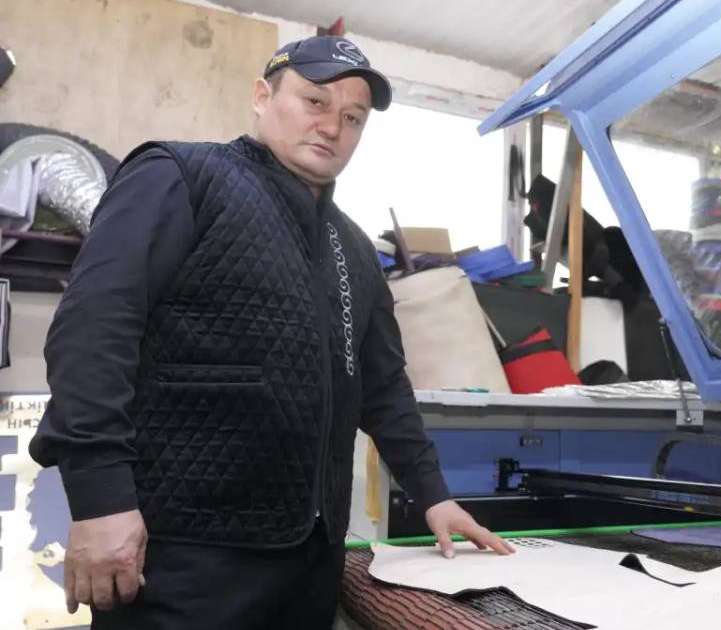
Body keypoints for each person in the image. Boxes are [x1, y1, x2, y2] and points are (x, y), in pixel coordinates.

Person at [28, 35, 514, 629]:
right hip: (183, 560)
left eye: (352, 118)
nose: (332, 127)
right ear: (262, 96)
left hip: (309, 565)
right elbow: (91, 333)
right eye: (314, 101)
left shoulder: (355, 249)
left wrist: (433, 493)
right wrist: (100, 497)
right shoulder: (181, 177)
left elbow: (384, 387)